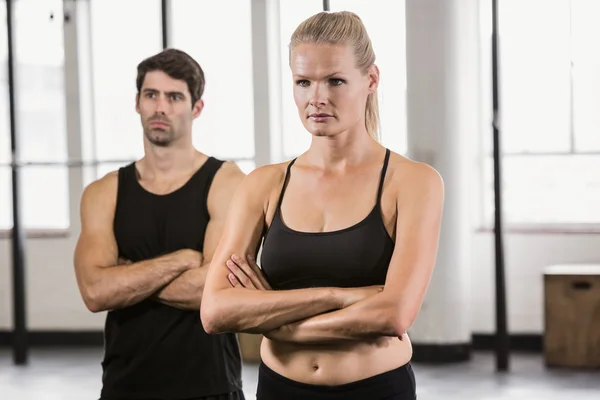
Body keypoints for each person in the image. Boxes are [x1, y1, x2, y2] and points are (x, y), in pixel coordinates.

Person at [200, 11, 444, 400]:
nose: (317, 98)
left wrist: (274, 321)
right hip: (280, 390)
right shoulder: (265, 184)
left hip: (377, 390)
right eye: (303, 82)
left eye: (335, 80)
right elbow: (215, 311)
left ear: (371, 80)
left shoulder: (413, 181)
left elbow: (394, 314)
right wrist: (339, 296)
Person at [74, 48, 248, 400]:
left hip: (209, 385)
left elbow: (213, 291)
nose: (160, 108)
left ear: (196, 108)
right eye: (151, 95)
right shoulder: (103, 192)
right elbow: (95, 292)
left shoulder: (226, 182)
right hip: (126, 385)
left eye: (174, 97)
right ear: (137, 102)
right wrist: (182, 260)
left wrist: (125, 277)